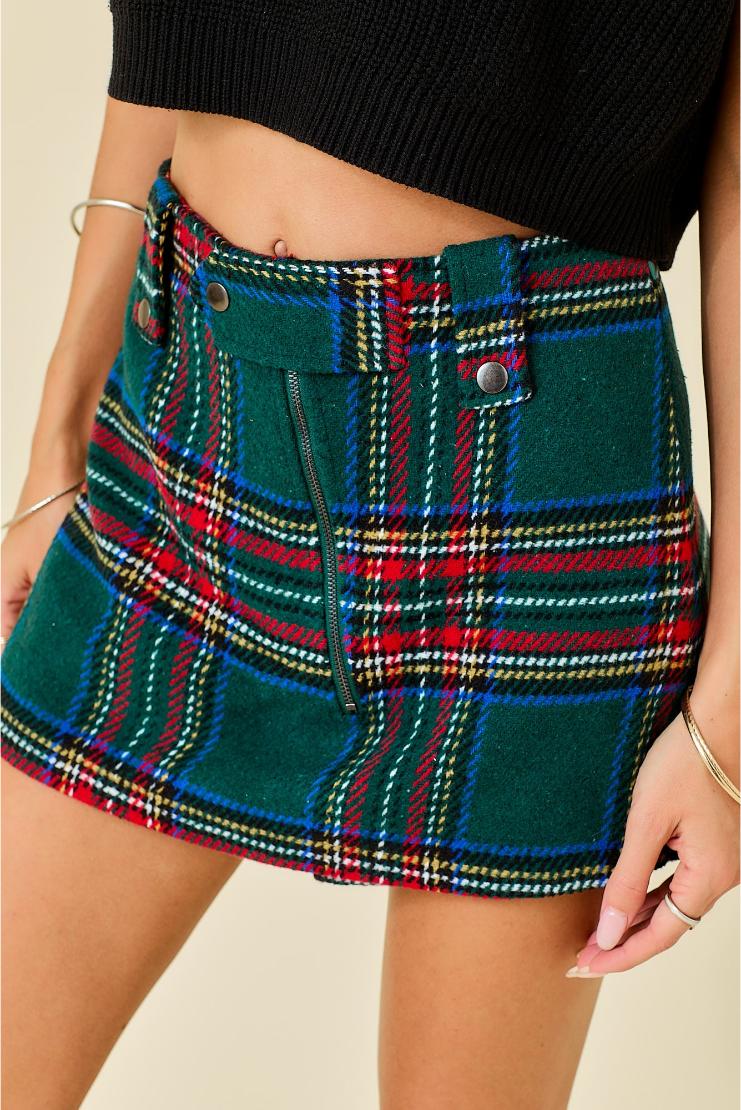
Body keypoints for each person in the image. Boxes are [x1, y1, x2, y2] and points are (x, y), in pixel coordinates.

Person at [1, 3, 739, 1107]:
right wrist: (55, 445)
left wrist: (727, 719)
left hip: (517, 464)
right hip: (187, 413)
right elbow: (172, 54)